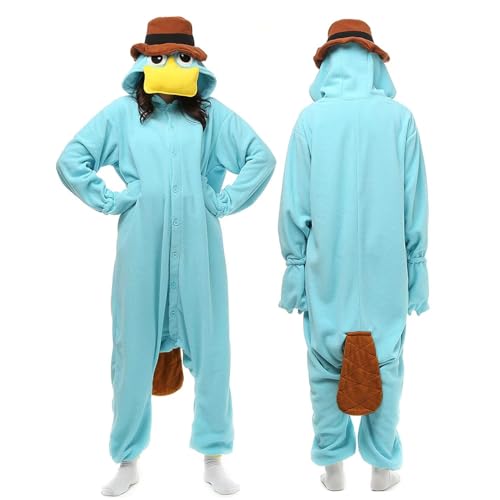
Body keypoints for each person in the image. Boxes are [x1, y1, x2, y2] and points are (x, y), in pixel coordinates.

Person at [56, 16, 275, 496]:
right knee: (132, 348)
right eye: (161, 56)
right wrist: (112, 199)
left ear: (193, 62)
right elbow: (72, 159)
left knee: (212, 349)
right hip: (141, 246)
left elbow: (260, 157)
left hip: (200, 246)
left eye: (180, 55)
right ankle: (128, 460)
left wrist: (223, 201)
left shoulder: (210, 116)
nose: (171, 63)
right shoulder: (122, 115)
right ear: (144, 61)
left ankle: (214, 458)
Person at [278, 19, 429, 491]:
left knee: (324, 363)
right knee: (387, 360)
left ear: (328, 64)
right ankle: (382, 468)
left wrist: (295, 268)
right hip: (388, 270)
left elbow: (295, 206)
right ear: (373, 62)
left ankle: (333, 467)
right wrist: (417, 267)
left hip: (327, 267)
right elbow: (414, 204)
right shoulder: (400, 119)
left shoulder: (310, 121)